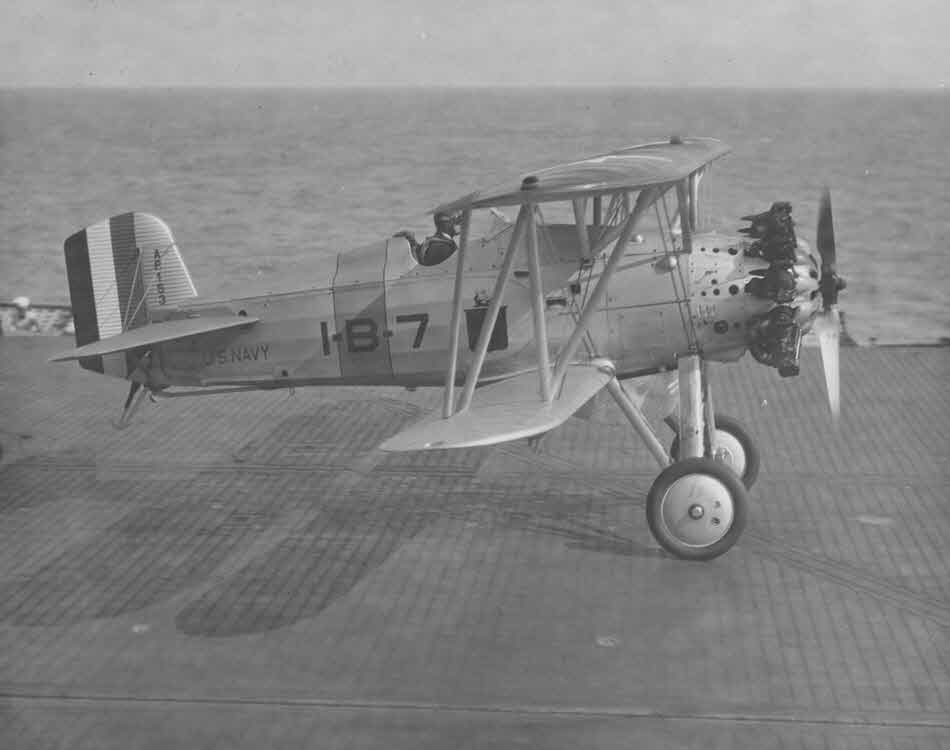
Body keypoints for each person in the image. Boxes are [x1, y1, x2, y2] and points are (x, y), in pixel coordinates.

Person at [394, 212, 460, 266]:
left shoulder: (441, 243)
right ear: (446, 225)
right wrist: (411, 241)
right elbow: (423, 261)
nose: (460, 225)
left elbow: (422, 260)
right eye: (456, 222)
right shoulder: (442, 245)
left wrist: (412, 241)